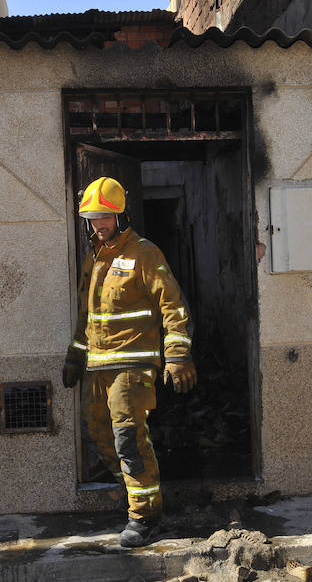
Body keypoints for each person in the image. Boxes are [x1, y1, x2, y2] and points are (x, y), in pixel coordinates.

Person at [61, 176, 197, 548]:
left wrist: (178, 354)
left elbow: (173, 305)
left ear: (121, 216)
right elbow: (86, 316)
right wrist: (75, 355)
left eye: (104, 217)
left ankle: (145, 517)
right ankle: (138, 494)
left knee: (128, 439)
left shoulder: (144, 253)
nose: (98, 224)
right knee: (98, 432)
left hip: (132, 366)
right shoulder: (94, 258)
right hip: (97, 366)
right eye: (92, 218)